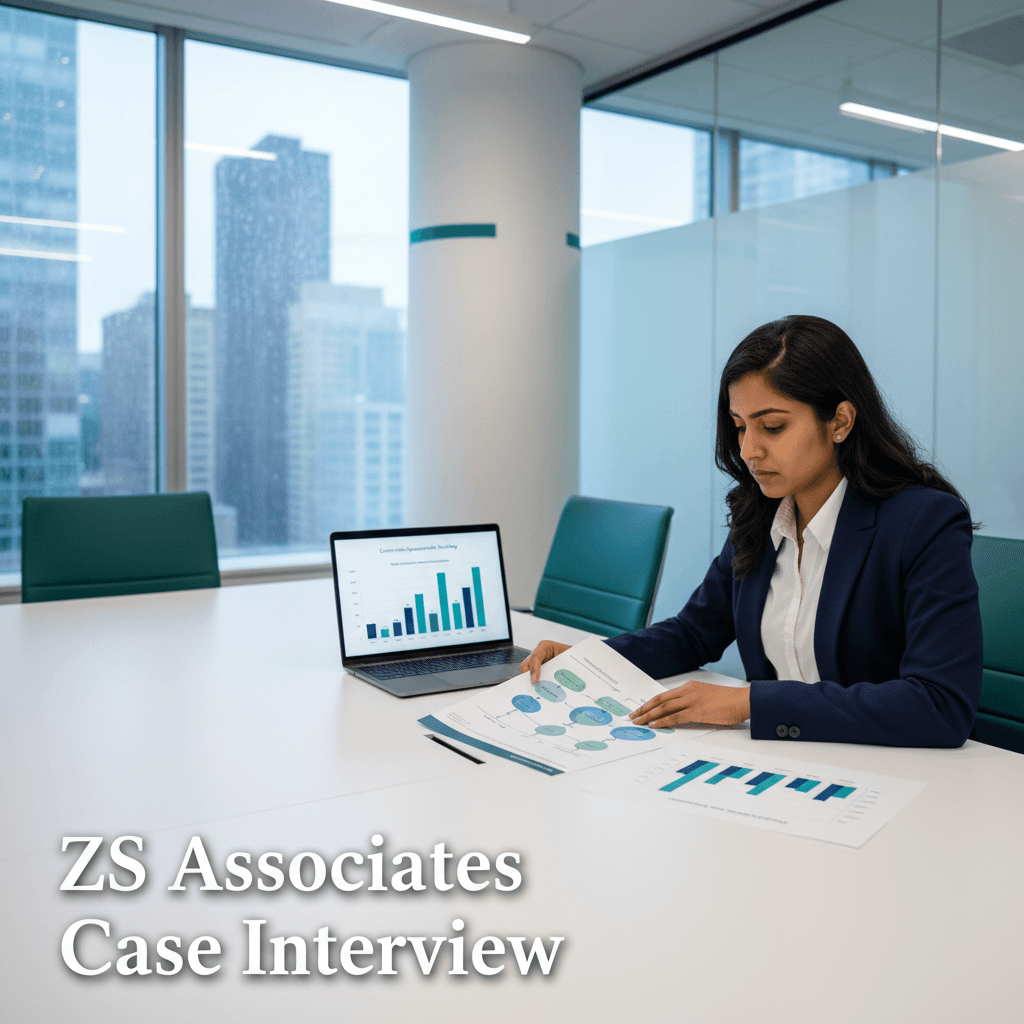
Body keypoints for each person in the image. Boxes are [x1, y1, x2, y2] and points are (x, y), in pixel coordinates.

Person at [520, 315, 982, 747]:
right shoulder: (760, 516)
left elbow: (939, 704)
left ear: (840, 421)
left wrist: (748, 703)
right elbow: (692, 633)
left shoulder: (923, 523)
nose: (748, 450)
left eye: (773, 427)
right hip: (779, 764)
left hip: (886, 776)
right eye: (740, 427)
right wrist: (591, 659)